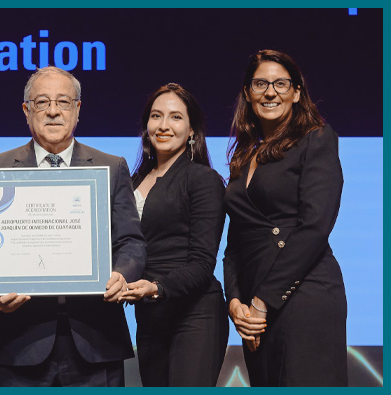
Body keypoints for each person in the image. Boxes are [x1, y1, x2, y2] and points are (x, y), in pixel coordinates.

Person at [0, 66, 146, 387]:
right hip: (18, 341)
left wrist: (122, 274)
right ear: (26, 111)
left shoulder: (112, 167)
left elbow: (131, 241)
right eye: (42, 102)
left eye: (63, 101)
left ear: (78, 109)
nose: (53, 111)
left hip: (96, 339)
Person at [223, 49, 347, 386]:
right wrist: (235, 302)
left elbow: (315, 227)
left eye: (281, 83)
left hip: (303, 292)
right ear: (248, 94)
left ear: (296, 92)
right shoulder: (244, 154)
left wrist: (263, 301)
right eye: (260, 83)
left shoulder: (317, 139)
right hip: (253, 307)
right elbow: (236, 243)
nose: (270, 92)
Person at [118, 83, 229, 386]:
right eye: (156, 116)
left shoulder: (203, 181)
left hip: (195, 316)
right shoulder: (129, 180)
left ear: (193, 130)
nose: (164, 125)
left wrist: (156, 287)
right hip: (149, 316)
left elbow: (203, 264)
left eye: (176, 117)